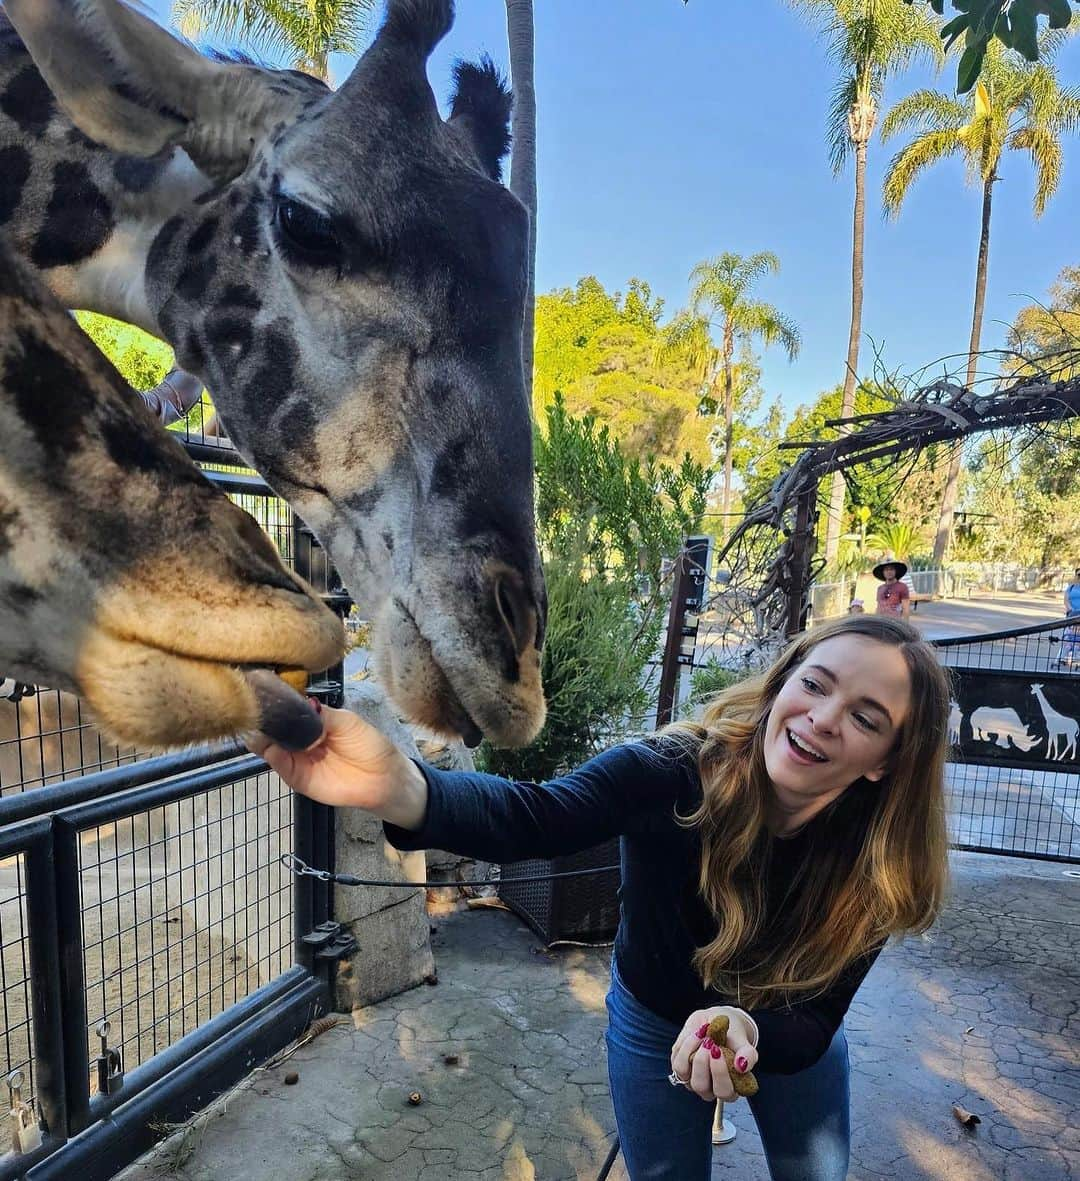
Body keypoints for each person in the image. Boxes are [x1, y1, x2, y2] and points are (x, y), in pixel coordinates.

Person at [248, 616, 950, 1181]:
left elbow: (821, 1014)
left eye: (865, 717)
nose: (824, 717)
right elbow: (538, 815)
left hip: (785, 1034)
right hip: (652, 1018)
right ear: (781, 684)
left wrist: (747, 1026)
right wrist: (401, 787)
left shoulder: (883, 862)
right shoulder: (671, 772)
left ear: (888, 759)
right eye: (816, 683)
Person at [1056, 567, 1080, 669]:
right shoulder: (1070, 588)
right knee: (1068, 636)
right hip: (1071, 615)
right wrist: (1071, 610)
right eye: (1079, 575)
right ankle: (1063, 657)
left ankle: (1077, 658)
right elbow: (1066, 600)